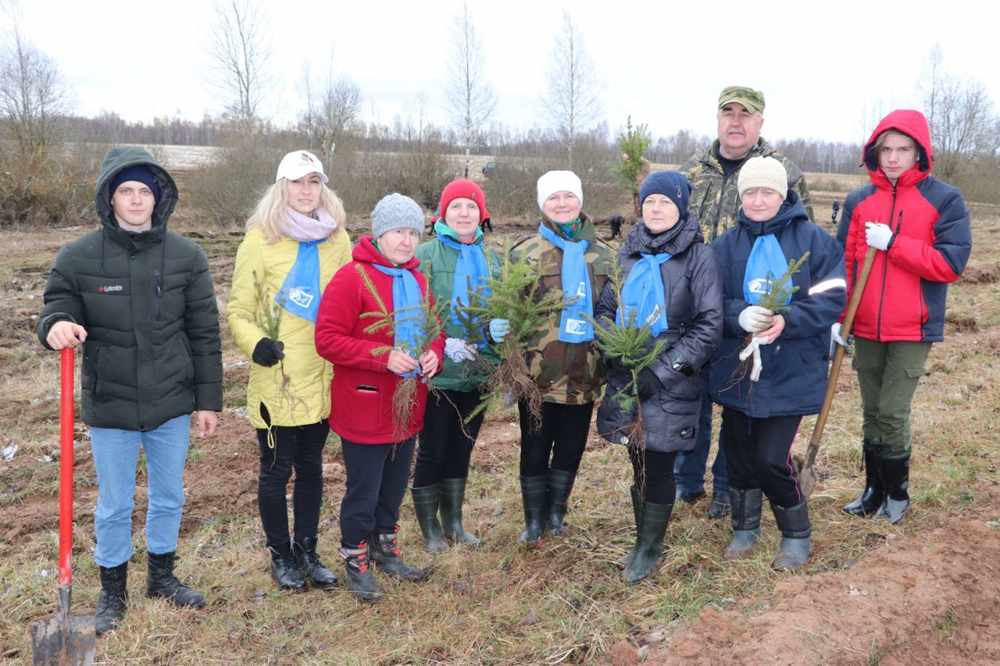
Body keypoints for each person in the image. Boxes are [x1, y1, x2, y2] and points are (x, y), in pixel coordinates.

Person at [36, 147, 222, 634]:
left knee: (169, 495)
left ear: (158, 198)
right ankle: (112, 592)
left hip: (172, 400)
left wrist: (208, 401)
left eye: (145, 191)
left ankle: (162, 577)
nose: (137, 199)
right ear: (109, 198)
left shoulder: (187, 256)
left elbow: (204, 333)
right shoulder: (78, 257)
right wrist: (55, 326)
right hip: (112, 402)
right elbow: (56, 306)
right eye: (126, 191)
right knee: (115, 503)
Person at [676, 85, 815, 519]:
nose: (736, 122)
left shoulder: (782, 171)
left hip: (755, 311)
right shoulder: (690, 173)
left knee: (737, 400)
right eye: (728, 113)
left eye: (746, 114)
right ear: (718, 118)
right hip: (697, 307)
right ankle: (686, 481)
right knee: (691, 395)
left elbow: (800, 245)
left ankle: (727, 486)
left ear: (760, 122)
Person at [709, 157, 845, 571]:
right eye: (750, 191)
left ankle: (795, 533)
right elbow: (709, 300)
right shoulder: (725, 246)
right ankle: (744, 528)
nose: (758, 199)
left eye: (767, 191)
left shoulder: (814, 242)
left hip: (791, 368)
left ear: (783, 194)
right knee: (737, 451)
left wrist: (789, 320)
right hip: (737, 368)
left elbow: (833, 296)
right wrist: (738, 316)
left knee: (771, 456)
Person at [836, 110, 971, 524]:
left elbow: (950, 263)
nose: (893, 158)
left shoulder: (944, 200)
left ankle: (898, 493)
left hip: (913, 327)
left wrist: (894, 244)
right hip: (866, 326)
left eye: (903, 149)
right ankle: (872, 490)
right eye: (886, 149)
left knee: (893, 411)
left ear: (919, 153)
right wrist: (838, 320)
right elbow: (844, 265)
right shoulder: (860, 201)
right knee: (872, 410)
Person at [227, 150, 352, 590]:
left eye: (314, 182)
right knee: (277, 470)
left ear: (323, 187)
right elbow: (239, 309)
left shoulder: (338, 240)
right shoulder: (260, 239)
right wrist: (255, 343)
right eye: (297, 182)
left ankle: (308, 551)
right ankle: (281, 555)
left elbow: (351, 301)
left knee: (313, 468)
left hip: (322, 375)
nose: (306, 191)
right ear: (282, 187)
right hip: (276, 375)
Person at [314, 193, 445, 601]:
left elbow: (435, 329)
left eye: (412, 232)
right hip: (365, 406)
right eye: (397, 232)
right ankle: (355, 557)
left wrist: (433, 354)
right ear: (379, 233)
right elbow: (327, 339)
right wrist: (381, 356)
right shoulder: (351, 278)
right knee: (364, 490)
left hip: (408, 407)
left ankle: (385, 548)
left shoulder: (418, 280)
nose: (406, 241)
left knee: (393, 486)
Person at [595, 171, 722, 583]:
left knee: (659, 462)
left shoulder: (698, 258)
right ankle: (643, 537)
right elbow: (605, 309)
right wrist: (612, 348)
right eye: (650, 201)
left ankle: (649, 547)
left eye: (665, 202)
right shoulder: (627, 255)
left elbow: (709, 326)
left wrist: (662, 372)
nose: (656, 208)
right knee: (638, 459)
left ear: (681, 207)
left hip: (672, 375)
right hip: (625, 371)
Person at [510, 170, 614, 545]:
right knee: (535, 446)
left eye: (569, 197)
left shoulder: (604, 255)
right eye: (554, 198)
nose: (562, 204)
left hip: (584, 372)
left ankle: (556, 514)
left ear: (581, 202)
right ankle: (534, 520)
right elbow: (510, 310)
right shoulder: (524, 253)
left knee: (571, 447)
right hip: (537, 375)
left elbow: (614, 311)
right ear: (542, 204)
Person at [411, 179, 501, 552]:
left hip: (478, 371)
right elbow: (413, 310)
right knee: (433, 447)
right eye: (455, 207)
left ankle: (454, 522)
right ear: (442, 215)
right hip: (438, 372)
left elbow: (504, 306)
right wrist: (435, 344)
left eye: (470, 206)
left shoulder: (494, 260)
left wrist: (498, 331)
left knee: (463, 446)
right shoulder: (426, 255)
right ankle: (429, 529)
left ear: (481, 214)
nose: (464, 213)